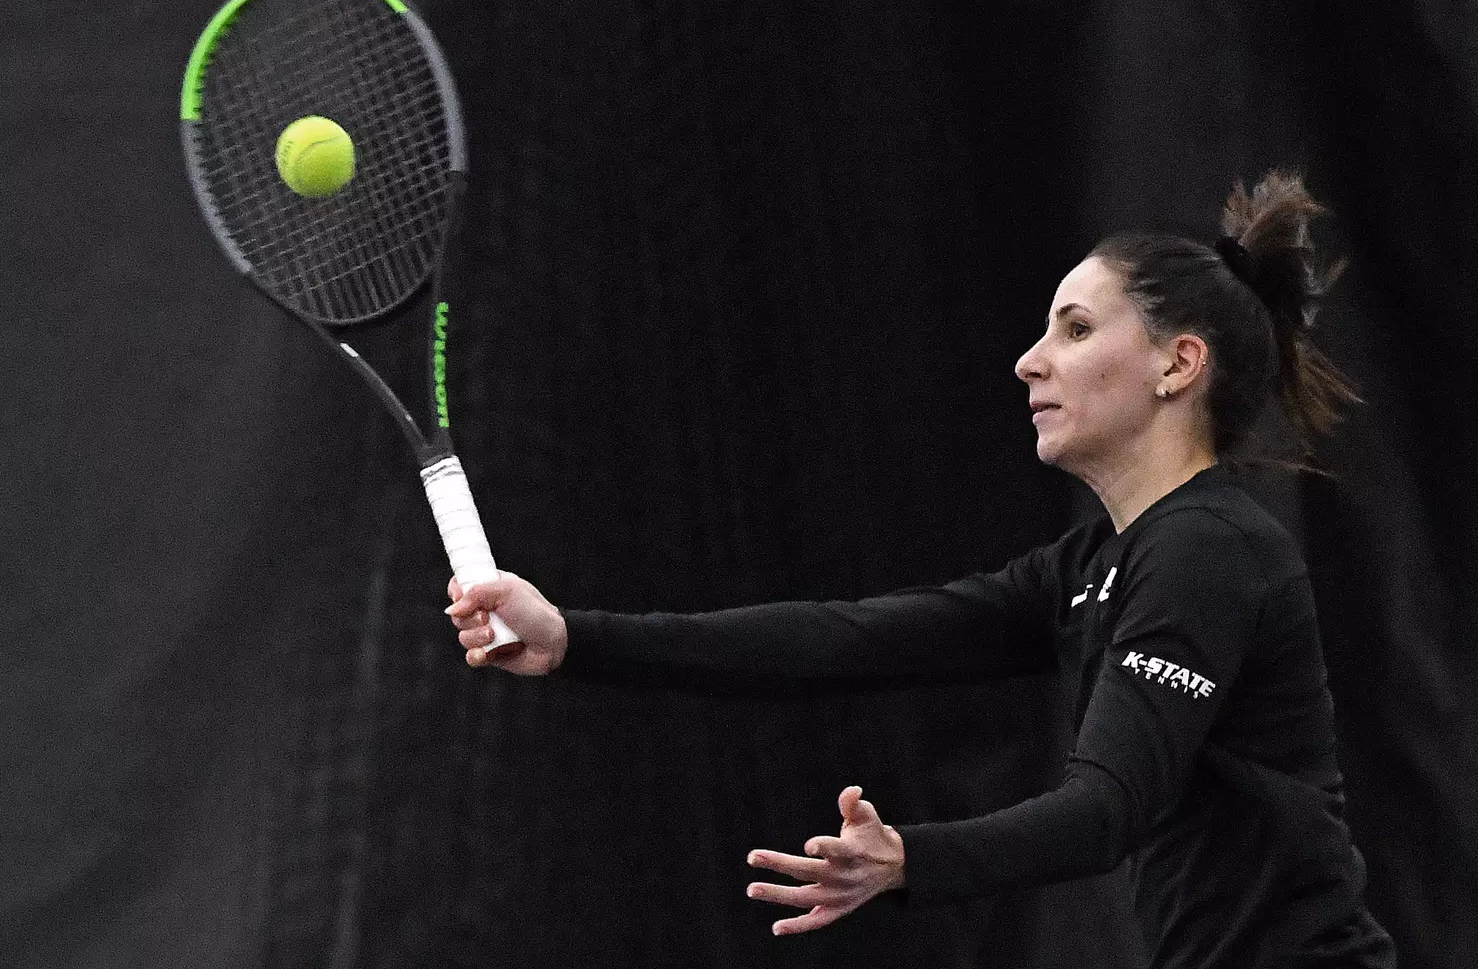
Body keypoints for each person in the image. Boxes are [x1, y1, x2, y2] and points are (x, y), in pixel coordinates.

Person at [443, 171, 1397, 967]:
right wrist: (576, 637)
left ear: (1177, 365)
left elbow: (1105, 810)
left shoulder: (1207, 552)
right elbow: (850, 640)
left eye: (1073, 329)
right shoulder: (1102, 560)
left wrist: (907, 859)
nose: (1029, 362)